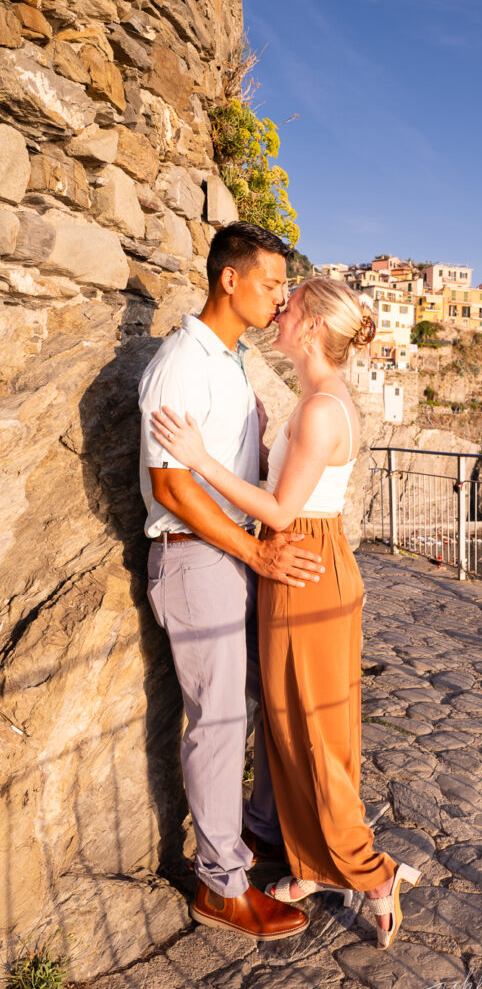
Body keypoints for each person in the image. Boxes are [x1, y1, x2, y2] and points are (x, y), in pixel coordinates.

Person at [151, 277, 421, 950]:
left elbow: (277, 512)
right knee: (291, 723)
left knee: (314, 732)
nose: (279, 309)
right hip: (302, 563)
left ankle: (370, 871)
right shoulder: (315, 401)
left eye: (290, 305)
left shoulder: (321, 408)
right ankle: (312, 859)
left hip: (304, 566)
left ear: (309, 327)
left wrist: (200, 459)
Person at [139, 222, 327, 942]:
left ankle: (252, 834)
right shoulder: (182, 362)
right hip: (195, 557)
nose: (281, 297)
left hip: (231, 554)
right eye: (272, 282)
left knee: (266, 698)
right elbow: (172, 486)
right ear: (229, 279)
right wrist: (255, 555)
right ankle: (220, 885)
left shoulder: (227, 360)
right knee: (217, 722)